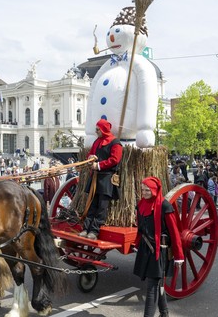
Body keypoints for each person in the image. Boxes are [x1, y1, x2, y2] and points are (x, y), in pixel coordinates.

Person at [133, 177, 184, 317]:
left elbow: (174, 233)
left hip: (159, 250)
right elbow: (140, 229)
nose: (144, 193)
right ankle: (164, 313)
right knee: (157, 283)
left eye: (147, 190)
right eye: (143, 190)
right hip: (145, 249)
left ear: (154, 190)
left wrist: (179, 256)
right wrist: (137, 244)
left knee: (152, 287)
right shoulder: (141, 204)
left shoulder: (165, 206)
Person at [79, 119, 122, 240]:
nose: (96, 131)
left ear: (103, 129)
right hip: (96, 178)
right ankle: (85, 228)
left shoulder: (115, 143)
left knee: (102, 206)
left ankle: (94, 231)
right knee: (92, 204)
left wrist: (98, 165)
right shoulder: (97, 141)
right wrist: (91, 157)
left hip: (107, 178)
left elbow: (115, 159)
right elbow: (91, 154)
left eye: (97, 129)